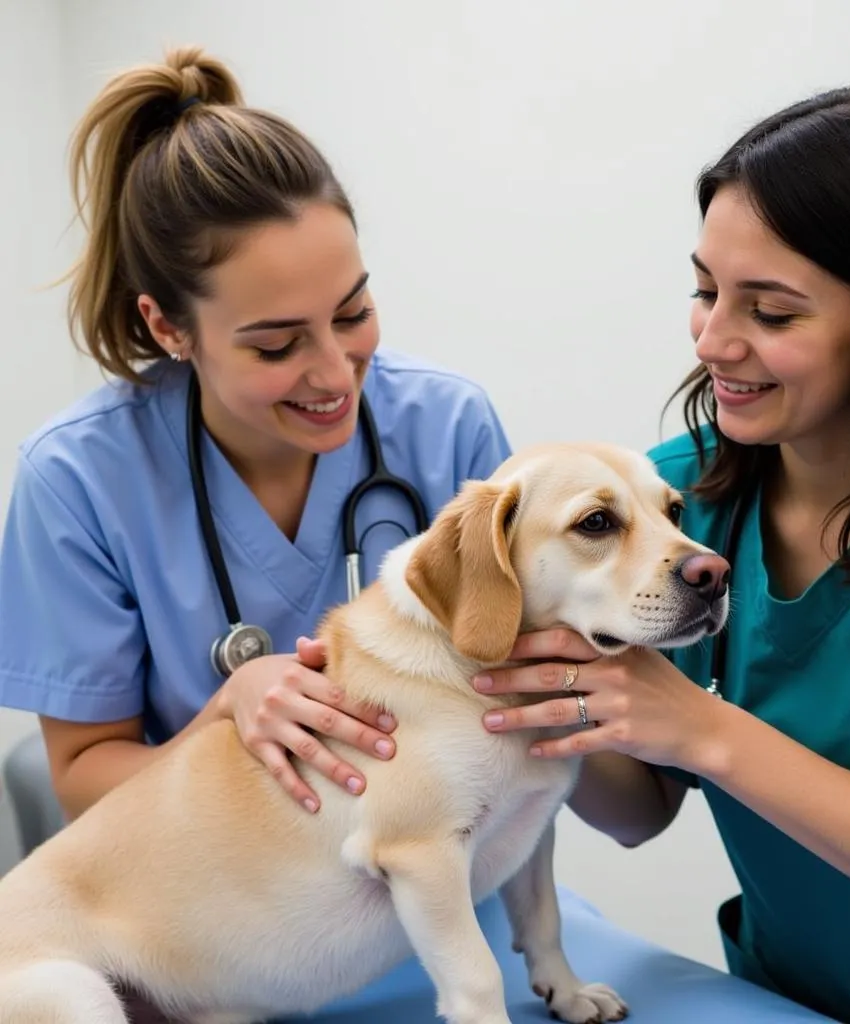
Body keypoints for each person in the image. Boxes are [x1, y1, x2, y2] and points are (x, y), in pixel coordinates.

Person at [473, 85, 850, 1023]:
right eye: (704, 289)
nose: (713, 339)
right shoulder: (681, 497)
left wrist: (703, 729)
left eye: (770, 312)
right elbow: (639, 809)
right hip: (779, 998)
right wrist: (533, 682)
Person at [0, 44, 510, 824]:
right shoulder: (80, 479)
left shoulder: (447, 429)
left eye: (352, 313)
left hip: (436, 869)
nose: (338, 374)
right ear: (168, 326)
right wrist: (226, 714)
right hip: (217, 904)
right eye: (277, 345)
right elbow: (79, 776)